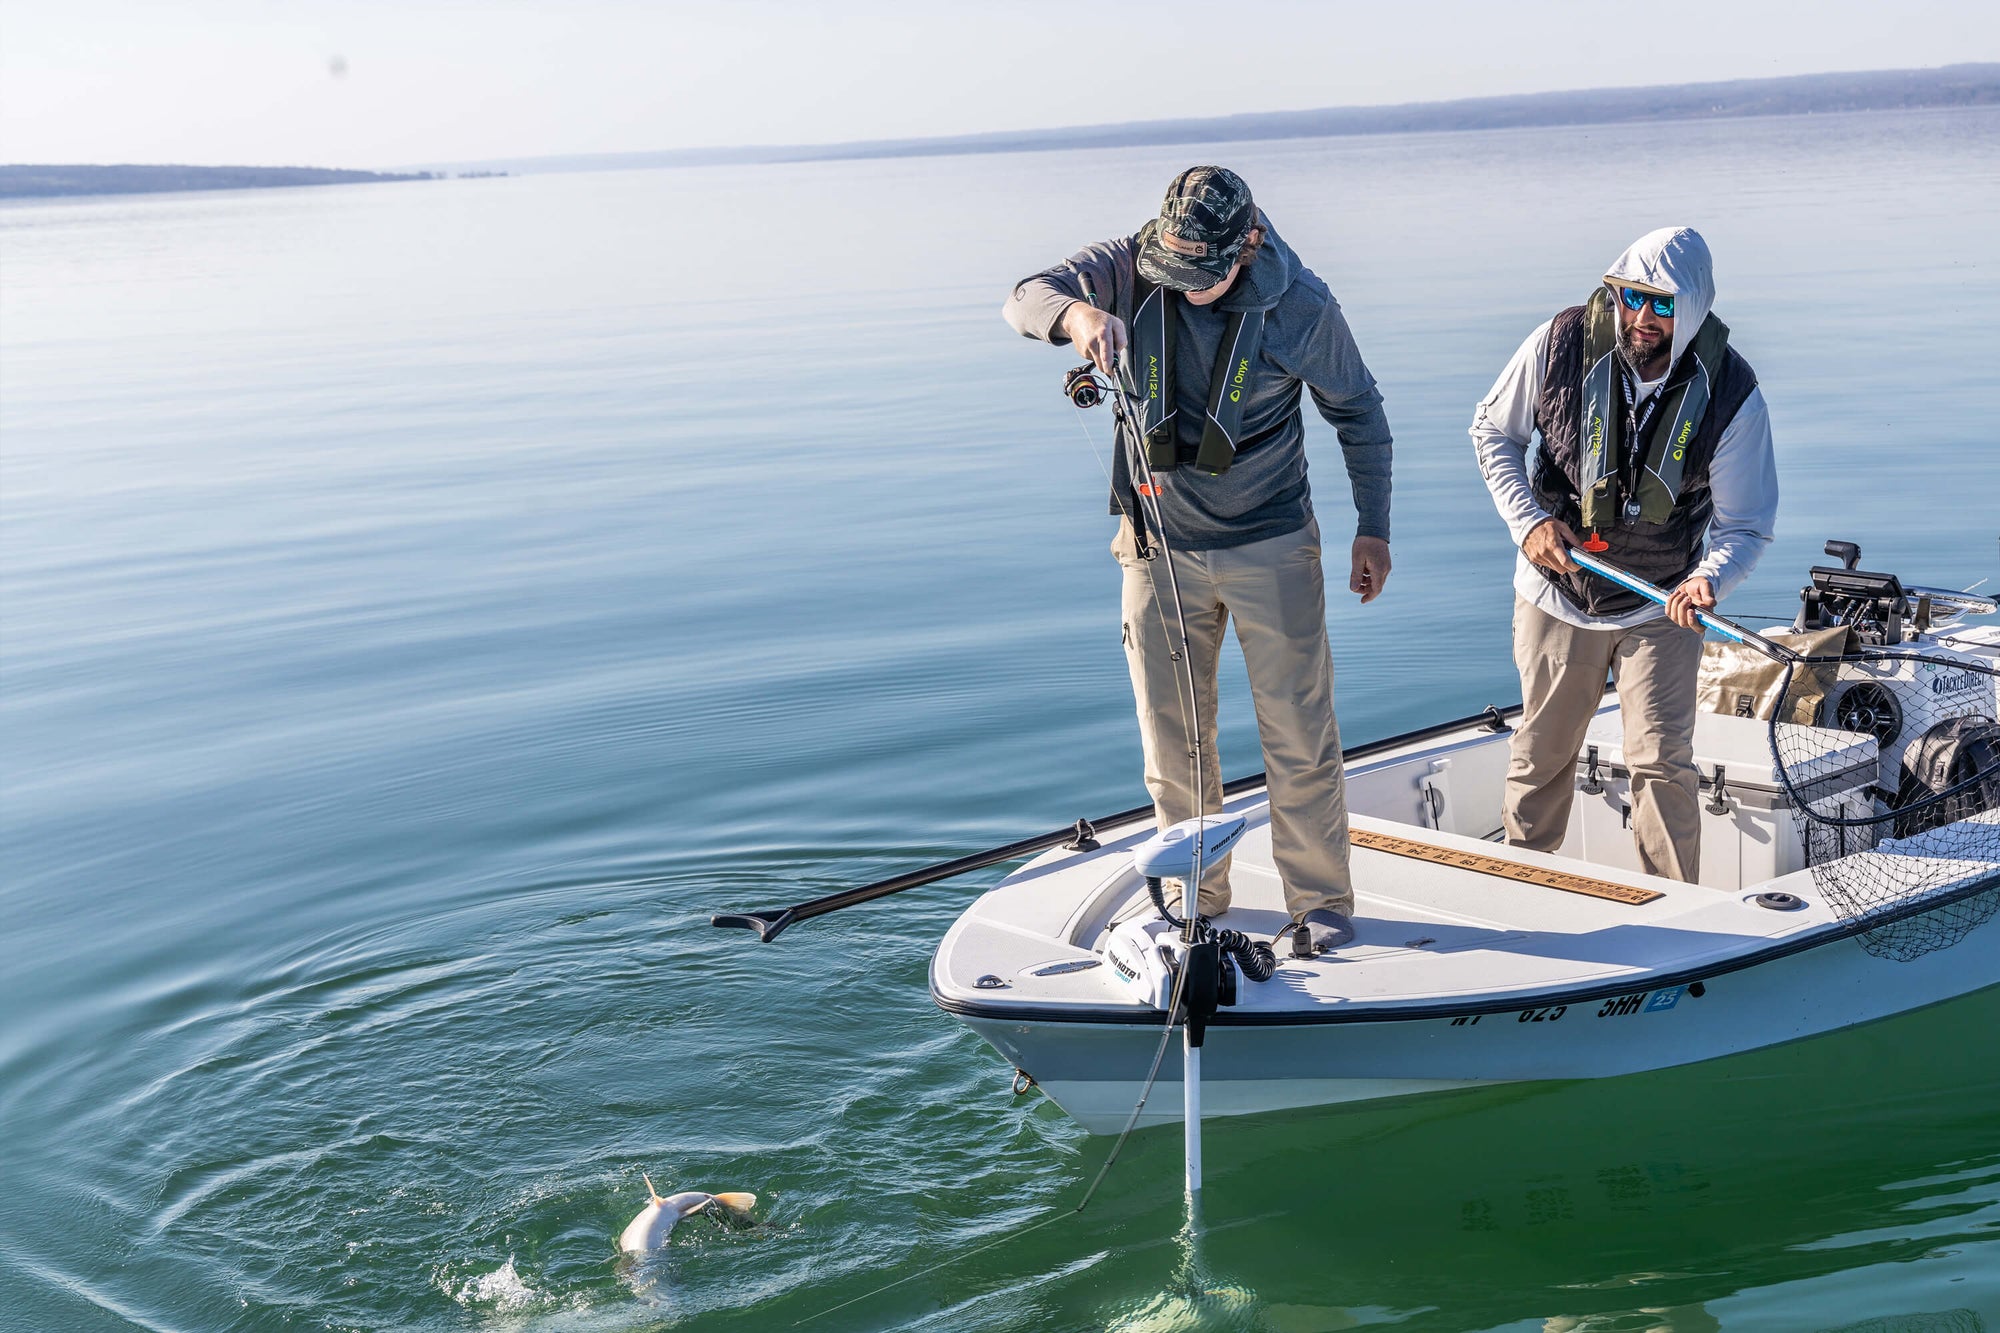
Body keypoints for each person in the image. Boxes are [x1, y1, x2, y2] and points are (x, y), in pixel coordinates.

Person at [1003, 166, 1393, 950]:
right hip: (1155, 547)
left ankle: (1320, 904)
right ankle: (1195, 897)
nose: (1181, 286)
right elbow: (1022, 297)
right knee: (1171, 740)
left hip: (1272, 541)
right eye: (1170, 271)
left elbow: (1360, 413)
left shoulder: (1303, 307)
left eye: (1200, 276)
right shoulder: (1128, 266)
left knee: (1298, 735)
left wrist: (1372, 527)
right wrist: (1078, 312)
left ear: (1245, 246)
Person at [1470, 226, 1777, 882]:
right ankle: (1523, 897)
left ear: (1691, 309)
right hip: (1557, 591)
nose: (1642, 318)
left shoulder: (1731, 392)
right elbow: (1493, 431)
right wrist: (1528, 523)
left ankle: (1673, 916)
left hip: (1661, 602)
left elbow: (1745, 525)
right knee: (1540, 756)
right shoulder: (1558, 343)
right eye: (1632, 298)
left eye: (1662, 305)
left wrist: (1708, 580)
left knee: (1663, 763)